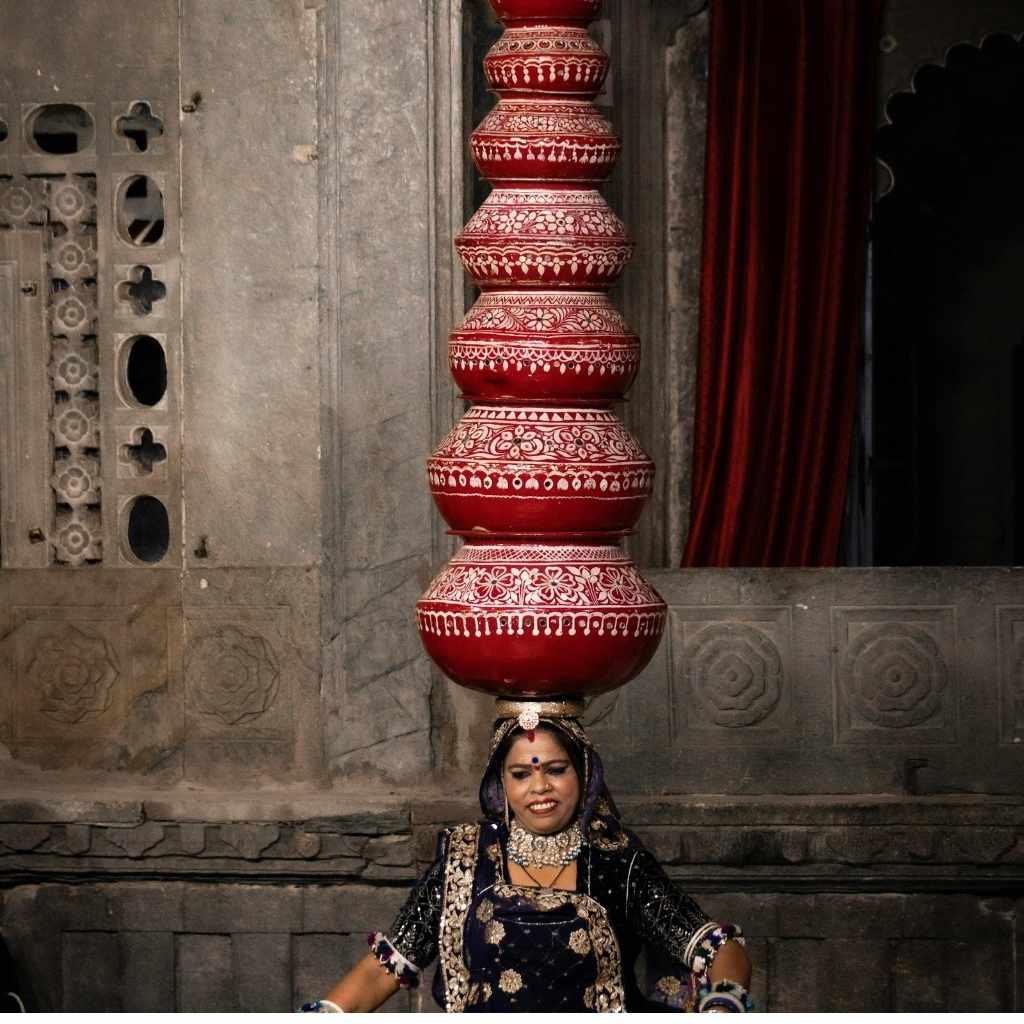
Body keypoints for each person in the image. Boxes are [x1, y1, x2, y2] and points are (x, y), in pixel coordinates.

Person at [301, 700, 753, 1013]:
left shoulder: (617, 861)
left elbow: (718, 948)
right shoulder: (464, 858)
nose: (539, 788)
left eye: (556, 770)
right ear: (502, 783)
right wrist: (324, 1011)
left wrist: (724, 1002)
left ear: (585, 773)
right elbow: (386, 967)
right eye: (521, 774)